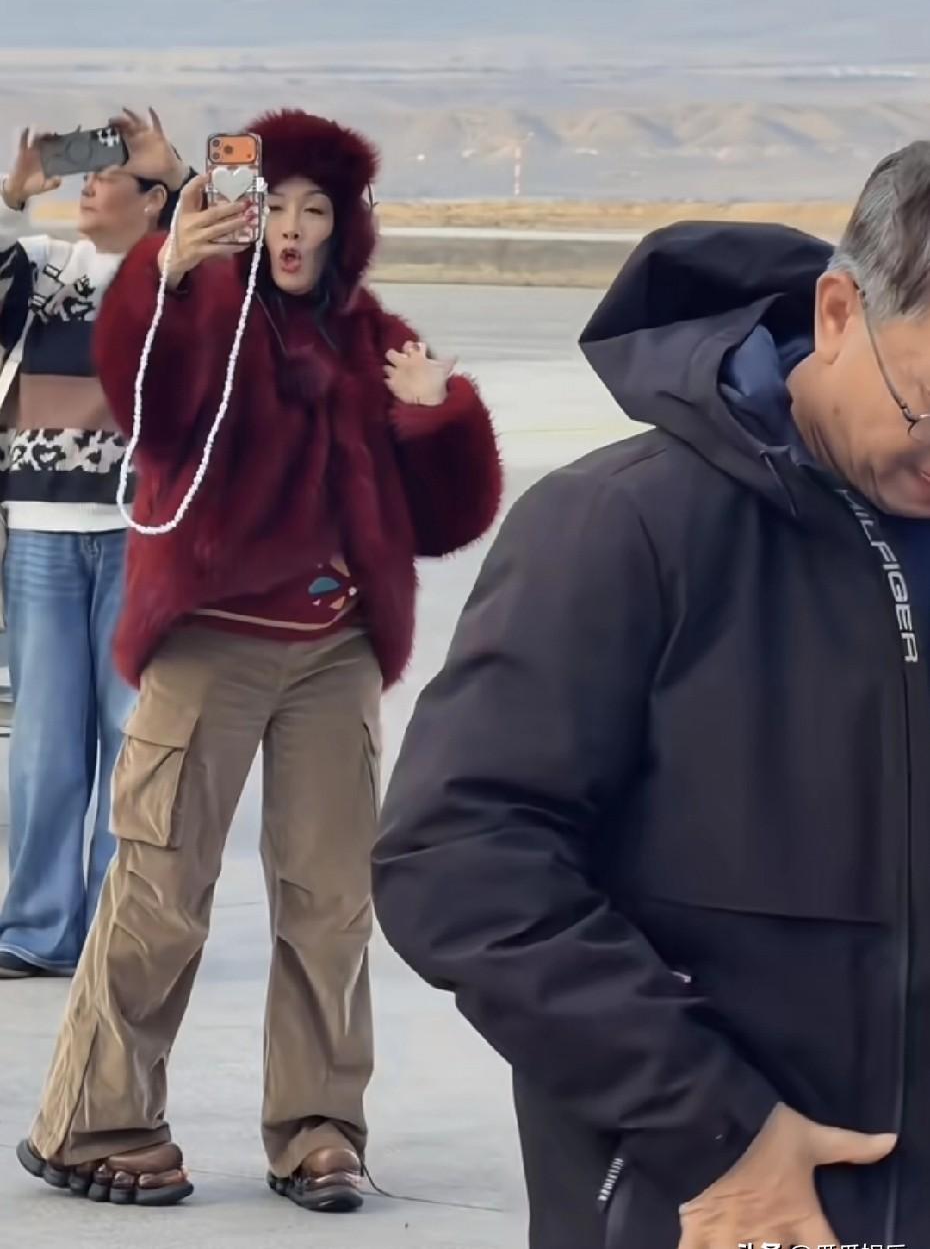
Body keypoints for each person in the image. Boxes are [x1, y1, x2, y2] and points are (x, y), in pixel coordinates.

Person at [370, 145, 930, 1249]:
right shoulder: (624, 527)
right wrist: (717, 1129)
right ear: (837, 314)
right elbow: (458, 861)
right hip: (713, 1202)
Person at [17, 108, 502, 1214]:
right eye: (274, 204)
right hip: (209, 641)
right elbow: (152, 413)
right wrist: (167, 276)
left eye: (314, 210)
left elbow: (444, 520)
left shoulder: (374, 338)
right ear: (245, 212)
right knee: (161, 888)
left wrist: (438, 417)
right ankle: (96, 1122)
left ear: (345, 226)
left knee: (331, 901)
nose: (290, 228)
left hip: (334, 655)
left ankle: (320, 1129)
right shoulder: (206, 307)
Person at [0, 111, 193, 981]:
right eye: (84, 174)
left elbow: (247, 273)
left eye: (109, 174)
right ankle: (36, 928)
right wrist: (12, 198)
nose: (88, 184)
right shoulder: (44, 268)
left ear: (151, 202)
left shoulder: (174, 276)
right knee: (43, 741)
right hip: (42, 530)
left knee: (133, 736)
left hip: (139, 536)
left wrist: (180, 176)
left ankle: (120, 927)